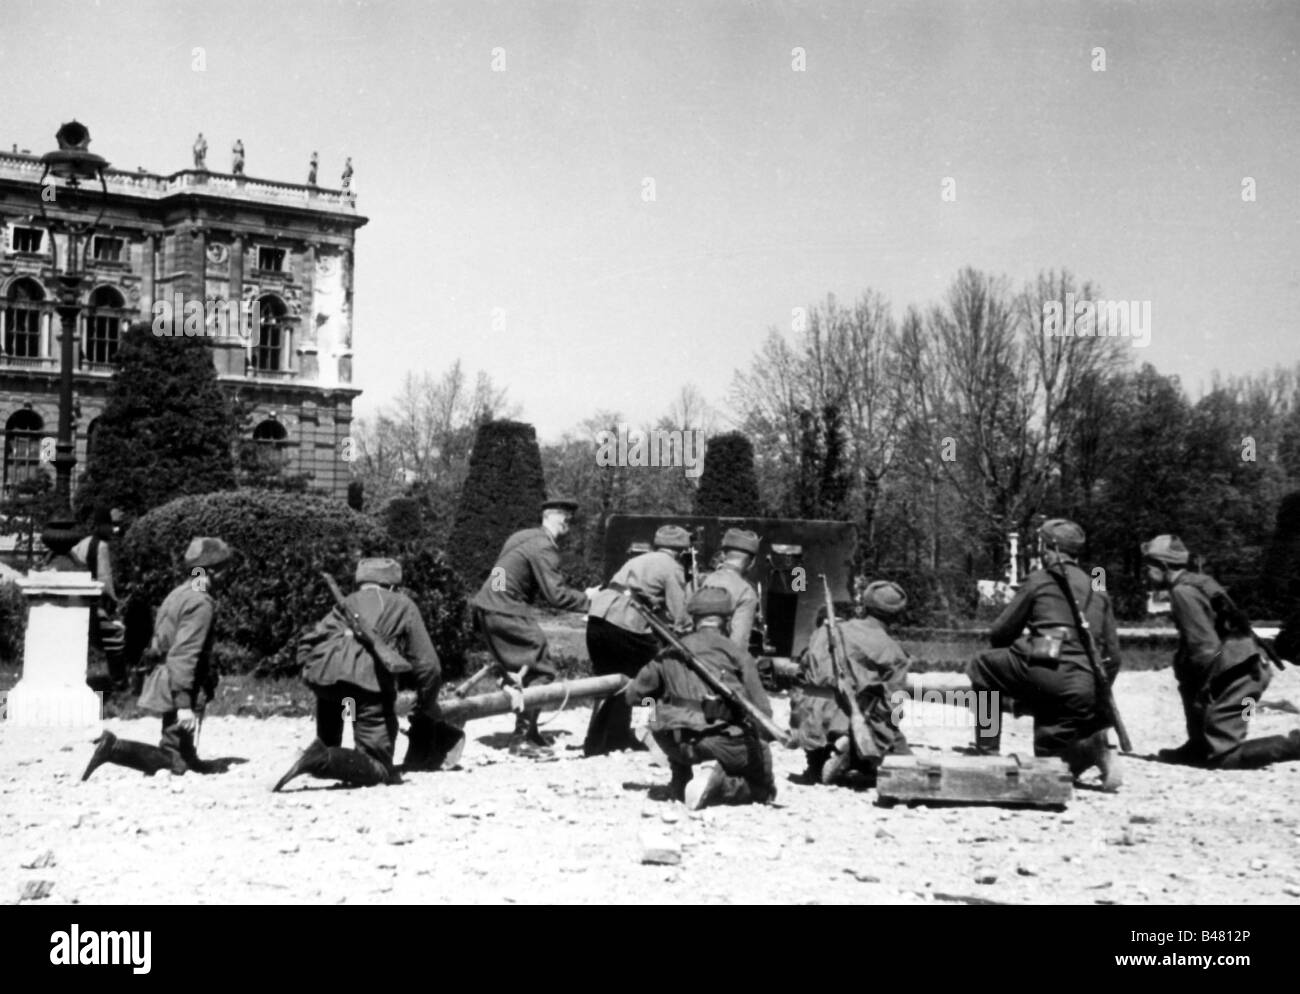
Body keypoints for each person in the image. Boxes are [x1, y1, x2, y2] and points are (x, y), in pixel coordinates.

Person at [966, 518, 1122, 791]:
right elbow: (1114, 654)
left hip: (1045, 672)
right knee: (1051, 759)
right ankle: (1094, 746)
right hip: (1085, 685)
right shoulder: (1097, 585)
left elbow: (1000, 633)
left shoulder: (1039, 580)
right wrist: (1097, 689)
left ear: (1048, 549)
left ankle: (987, 749)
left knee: (982, 665)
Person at [273, 558, 450, 791]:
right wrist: (426, 705)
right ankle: (321, 759)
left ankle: (326, 749)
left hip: (327, 682)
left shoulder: (346, 602)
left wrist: (314, 674)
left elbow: (307, 644)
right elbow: (429, 666)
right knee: (380, 767)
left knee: (344, 699)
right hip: (367, 686)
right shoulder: (403, 604)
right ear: (394, 586)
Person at [1143, 535, 1300, 768]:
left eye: (1148, 567)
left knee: (1224, 756)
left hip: (1241, 675)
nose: (1144, 574)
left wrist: (1206, 690)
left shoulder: (1182, 593)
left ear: (1163, 566)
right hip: (1251, 668)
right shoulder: (1200, 582)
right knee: (1194, 686)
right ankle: (1198, 746)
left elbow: (1204, 648)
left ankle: (1292, 745)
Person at [82, 537, 232, 780]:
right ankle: (115, 749)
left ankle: (188, 756)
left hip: (165, 673)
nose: (228, 575)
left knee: (179, 742)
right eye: (225, 569)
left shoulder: (182, 592)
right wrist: (184, 704)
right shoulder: (200, 602)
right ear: (213, 571)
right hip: (177, 679)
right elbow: (184, 654)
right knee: (174, 758)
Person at [622, 587, 776, 809]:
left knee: (668, 711)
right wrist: (754, 739)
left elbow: (634, 695)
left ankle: (681, 780)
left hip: (673, 741)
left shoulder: (669, 652)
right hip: (718, 741)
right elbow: (763, 712)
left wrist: (648, 720)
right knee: (763, 782)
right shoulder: (737, 653)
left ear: (694, 619)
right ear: (728, 620)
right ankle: (720, 783)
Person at [471, 498, 600, 757]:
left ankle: (525, 726)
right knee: (541, 670)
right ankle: (522, 740)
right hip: (506, 611)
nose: (569, 526)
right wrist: (590, 601)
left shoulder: (521, 537)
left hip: (487, 607)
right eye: (568, 520)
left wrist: (501, 599)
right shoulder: (544, 547)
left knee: (523, 669)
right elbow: (556, 596)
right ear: (560, 518)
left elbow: (505, 576)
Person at [584, 524, 692, 756]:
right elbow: (679, 615)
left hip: (597, 618)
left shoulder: (638, 561)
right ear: (681, 552)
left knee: (610, 681)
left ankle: (598, 740)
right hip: (626, 622)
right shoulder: (672, 568)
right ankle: (645, 731)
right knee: (652, 677)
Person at [790, 581, 912, 786]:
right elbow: (893, 705)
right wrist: (888, 739)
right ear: (897, 616)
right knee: (904, 762)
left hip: (809, 716)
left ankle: (818, 759)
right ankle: (852, 752)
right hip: (848, 718)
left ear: (863, 607)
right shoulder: (893, 651)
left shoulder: (825, 631)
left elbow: (801, 675)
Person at [71, 505, 126, 689]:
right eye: (110, 525)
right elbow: (105, 579)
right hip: (95, 603)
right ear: (101, 526)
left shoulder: (83, 543)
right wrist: (114, 604)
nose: (113, 529)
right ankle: (119, 682)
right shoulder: (101, 546)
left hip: (78, 600)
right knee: (115, 636)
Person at [698, 528, 761, 653]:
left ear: (722, 555)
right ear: (752, 562)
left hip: (693, 652)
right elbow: (738, 643)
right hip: (719, 661)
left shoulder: (702, 581)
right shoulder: (746, 592)